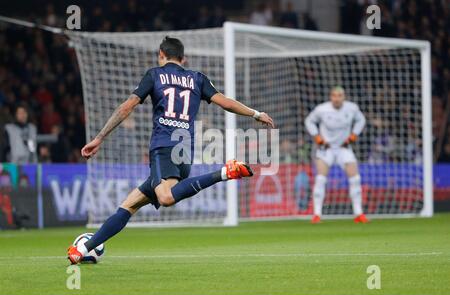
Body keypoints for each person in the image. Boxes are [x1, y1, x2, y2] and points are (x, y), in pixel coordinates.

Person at [68, 36, 274, 264]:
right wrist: (256, 113)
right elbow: (225, 102)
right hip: (185, 151)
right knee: (130, 204)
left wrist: (99, 137)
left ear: (161, 54)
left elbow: (128, 106)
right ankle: (83, 249)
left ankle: (225, 172)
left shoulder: (154, 75)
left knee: (165, 197)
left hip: (163, 146)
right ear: (183, 58)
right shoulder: (197, 78)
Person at [304, 86, 367, 224]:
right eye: (334, 96)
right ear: (330, 97)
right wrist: (317, 137)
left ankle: (359, 214)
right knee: (320, 179)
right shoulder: (322, 109)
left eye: (340, 96)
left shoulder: (352, 108)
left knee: (355, 178)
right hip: (326, 149)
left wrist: (354, 135)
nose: (337, 99)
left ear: (344, 97)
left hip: (344, 148)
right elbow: (309, 121)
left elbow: (361, 120)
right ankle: (317, 214)